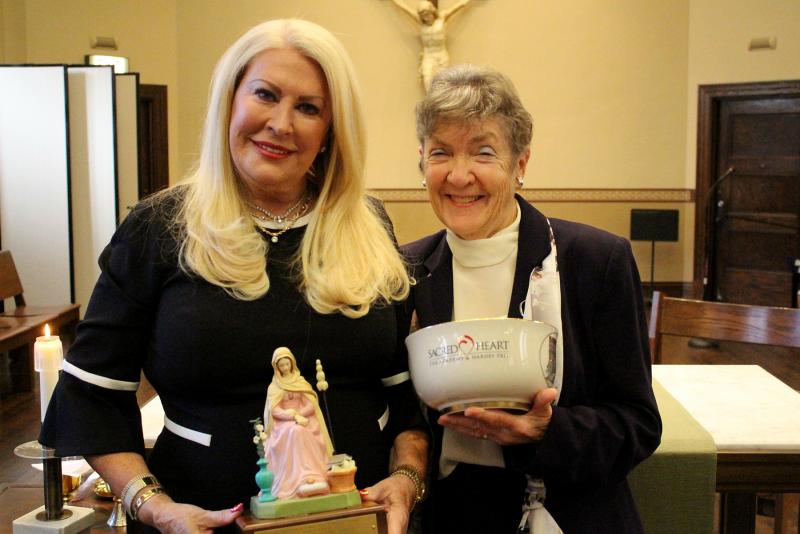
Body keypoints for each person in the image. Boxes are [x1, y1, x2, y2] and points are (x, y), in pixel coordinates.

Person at [40, 19, 428, 534]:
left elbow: (405, 400)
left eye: (308, 108)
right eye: (265, 95)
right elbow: (94, 397)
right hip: (197, 518)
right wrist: (153, 506)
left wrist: (405, 480)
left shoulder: (369, 225)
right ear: (230, 101)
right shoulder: (159, 228)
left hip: (358, 520)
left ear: (332, 132)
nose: (281, 123)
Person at [402, 65, 662, 533]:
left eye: (483, 152)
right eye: (441, 152)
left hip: (573, 514)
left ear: (520, 164)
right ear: (422, 162)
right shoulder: (404, 271)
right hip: (455, 520)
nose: (459, 175)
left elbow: (638, 424)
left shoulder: (595, 261)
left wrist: (546, 433)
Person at [264, 347, 332, 499]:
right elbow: (274, 410)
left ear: (292, 364)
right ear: (277, 367)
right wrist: (291, 416)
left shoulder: (300, 382)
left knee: (301, 430)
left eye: (287, 364)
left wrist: (300, 414)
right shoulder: (274, 387)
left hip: (303, 418)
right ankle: (296, 478)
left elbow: (311, 403)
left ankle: (313, 474)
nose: (285, 368)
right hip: (283, 423)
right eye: (281, 365)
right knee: (295, 431)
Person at [388, 0, 471, 90]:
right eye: (423, 16)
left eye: (427, 14)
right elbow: (404, 8)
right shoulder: (420, 22)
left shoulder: (442, 18)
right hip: (428, 56)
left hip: (441, 57)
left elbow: (461, 5)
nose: (426, 18)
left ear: (432, 12)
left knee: (442, 86)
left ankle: (439, 103)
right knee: (427, 81)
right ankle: (430, 103)